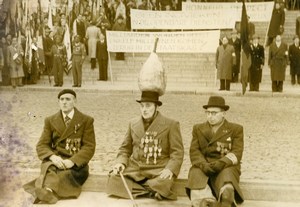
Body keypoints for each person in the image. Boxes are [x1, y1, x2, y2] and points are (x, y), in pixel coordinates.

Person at [106, 91, 184, 201]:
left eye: (148, 106)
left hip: (158, 168)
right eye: (142, 106)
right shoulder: (133, 123)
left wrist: (170, 169)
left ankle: (141, 189)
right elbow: (125, 148)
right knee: (113, 177)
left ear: (156, 106)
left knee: (164, 181)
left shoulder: (171, 124)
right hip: (136, 168)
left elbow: (177, 152)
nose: (144, 109)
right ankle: (153, 191)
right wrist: (121, 162)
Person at [23, 89, 96, 204]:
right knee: (50, 169)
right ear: (58, 102)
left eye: (68, 99)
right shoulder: (50, 120)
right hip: (56, 160)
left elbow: (89, 147)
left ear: (75, 101)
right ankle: (47, 192)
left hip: (76, 163)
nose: (64, 102)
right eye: (61, 100)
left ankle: (46, 191)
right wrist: (53, 157)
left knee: (65, 174)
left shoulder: (86, 120)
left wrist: (72, 161)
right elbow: (42, 145)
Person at [186, 96, 244, 207]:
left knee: (227, 182)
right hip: (204, 165)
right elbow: (194, 151)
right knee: (196, 174)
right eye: (207, 113)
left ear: (223, 113)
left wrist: (221, 163)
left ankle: (226, 198)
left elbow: (237, 153)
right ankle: (205, 201)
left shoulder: (235, 129)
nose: (210, 116)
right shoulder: (198, 128)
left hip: (225, 166)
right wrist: (203, 165)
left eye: (214, 113)